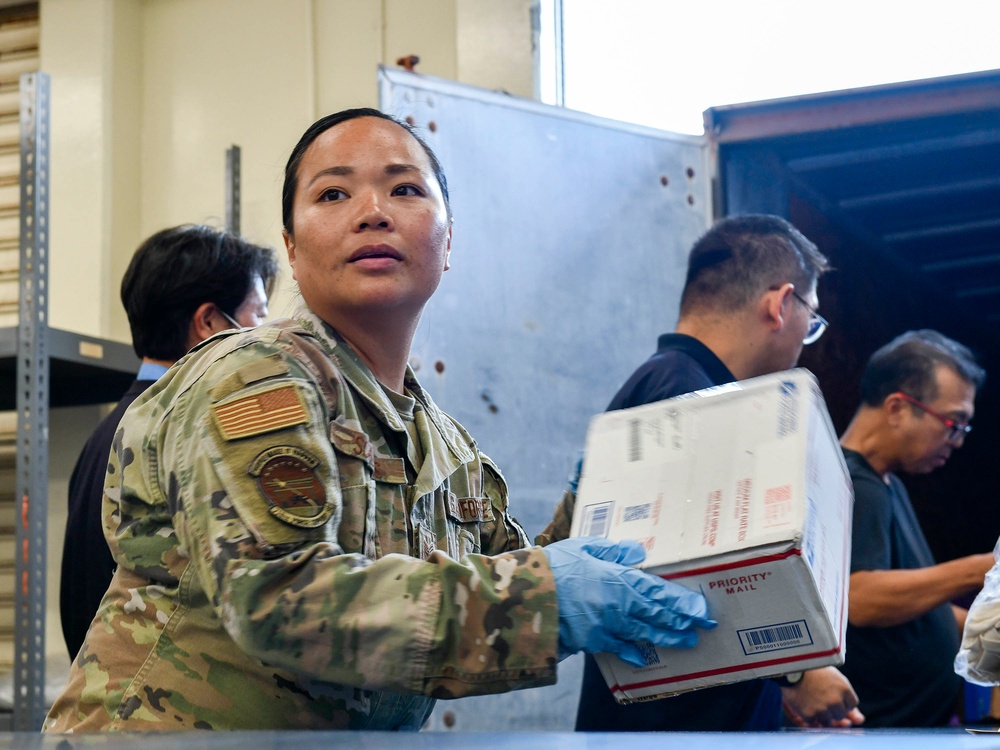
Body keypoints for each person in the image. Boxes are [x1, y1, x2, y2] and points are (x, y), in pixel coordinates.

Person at [43, 108, 716, 733]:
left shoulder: (445, 445)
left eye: (405, 190)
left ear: (448, 240)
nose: (372, 212)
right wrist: (552, 599)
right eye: (333, 194)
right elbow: (281, 600)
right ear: (293, 251)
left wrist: (599, 504)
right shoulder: (255, 376)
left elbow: (495, 581)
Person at [537, 214, 865, 731]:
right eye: (813, 317)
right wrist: (799, 674)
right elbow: (689, 579)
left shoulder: (674, 384)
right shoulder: (684, 397)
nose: (810, 336)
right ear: (780, 305)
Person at [59, 224, 278, 660]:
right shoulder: (186, 432)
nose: (266, 337)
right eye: (259, 316)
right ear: (210, 322)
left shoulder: (111, 430)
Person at [838, 329, 992, 727]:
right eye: (952, 422)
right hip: (882, 732)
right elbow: (861, 599)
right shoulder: (851, 484)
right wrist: (984, 568)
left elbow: (918, 607)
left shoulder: (890, 484)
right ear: (897, 408)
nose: (956, 441)